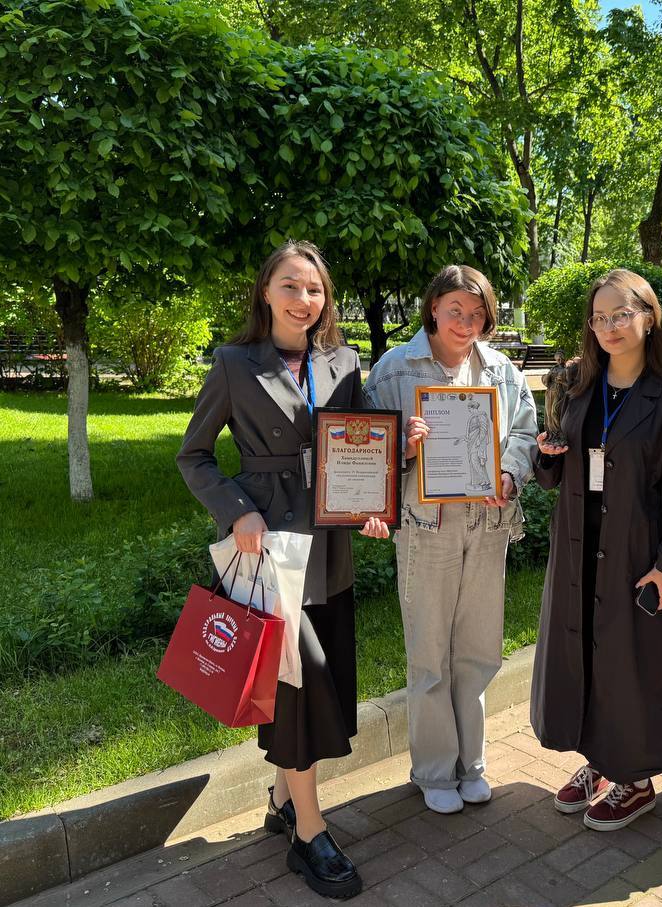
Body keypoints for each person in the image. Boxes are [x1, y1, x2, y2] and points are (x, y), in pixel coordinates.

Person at [177, 241, 388, 900]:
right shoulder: (234, 363)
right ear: (266, 291)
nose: (303, 299)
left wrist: (378, 493)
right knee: (299, 686)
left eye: (314, 288)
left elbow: (357, 447)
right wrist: (236, 510)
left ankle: (281, 799)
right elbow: (193, 456)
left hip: (329, 545)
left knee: (319, 679)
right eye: (290, 286)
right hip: (270, 546)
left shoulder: (344, 360)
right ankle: (308, 832)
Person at [363, 265, 538, 815]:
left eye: (477, 313)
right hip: (426, 529)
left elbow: (525, 432)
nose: (466, 323)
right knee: (430, 653)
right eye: (455, 310)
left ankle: (472, 765)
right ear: (433, 308)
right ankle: (435, 771)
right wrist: (403, 447)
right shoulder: (394, 371)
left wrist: (509, 473)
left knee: (479, 650)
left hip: (488, 526)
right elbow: (363, 447)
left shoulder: (501, 370)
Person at [532, 269, 662, 832]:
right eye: (600, 317)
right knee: (585, 653)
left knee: (633, 663)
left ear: (649, 318)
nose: (610, 327)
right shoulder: (579, 385)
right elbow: (551, 474)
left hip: (635, 549)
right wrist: (547, 455)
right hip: (579, 544)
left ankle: (637, 779)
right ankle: (599, 761)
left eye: (622, 314)